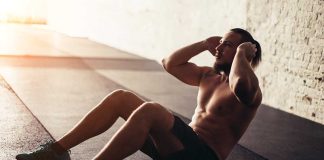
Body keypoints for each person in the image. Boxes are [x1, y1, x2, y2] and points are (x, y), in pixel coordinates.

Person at [16, 28, 262, 160]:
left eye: (226, 45)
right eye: (221, 42)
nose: (219, 47)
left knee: (151, 110)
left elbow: (240, 86)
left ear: (243, 52)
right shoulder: (207, 76)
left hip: (203, 155)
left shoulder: (249, 87)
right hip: (176, 146)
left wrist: (241, 54)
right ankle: (56, 152)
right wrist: (203, 44)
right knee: (121, 97)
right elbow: (169, 63)